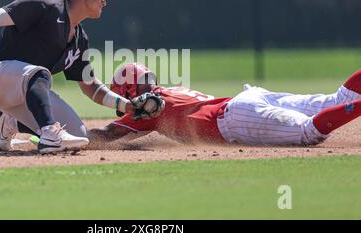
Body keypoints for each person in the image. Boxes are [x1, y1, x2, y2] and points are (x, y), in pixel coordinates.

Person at [0, 0, 161, 154]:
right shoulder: (46, 4)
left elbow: (91, 87)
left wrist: (128, 106)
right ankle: (50, 135)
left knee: (78, 134)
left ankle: (8, 121)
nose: (104, 0)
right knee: (39, 74)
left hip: (21, 93)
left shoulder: (80, 39)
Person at [88, 63, 361, 147]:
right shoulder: (170, 93)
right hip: (248, 100)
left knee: (309, 133)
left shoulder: (147, 109)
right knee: (337, 101)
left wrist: (70, 139)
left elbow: (106, 135)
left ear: (127, 91)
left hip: (234, 119)